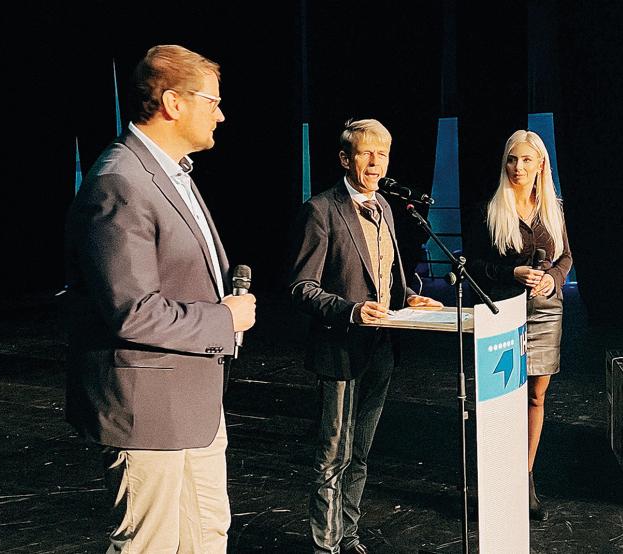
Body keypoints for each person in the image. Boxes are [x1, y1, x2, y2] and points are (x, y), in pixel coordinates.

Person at [64, 44, 255, 553]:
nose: (221, 112)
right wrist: (224, 319)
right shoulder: (119, 182)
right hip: (149, 410)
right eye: (212, 101)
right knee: (150, 545)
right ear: (173, 103)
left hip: (192, 403)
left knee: (207, 534)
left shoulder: (172, 173)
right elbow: (132, 311)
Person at [288, 118, 442, 553]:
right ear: (345, 158)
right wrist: (351, 311)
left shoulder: (388, 207)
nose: (376, 163)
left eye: (383, 154)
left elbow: (387, 276)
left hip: (381, 350)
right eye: (366, 154)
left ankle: (348, 534)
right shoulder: (321, 210)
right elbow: (302, 288)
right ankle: (325, 545)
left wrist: (409, 296)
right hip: (340, 350)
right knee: (333, 455)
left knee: (360, 454)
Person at [466, 130, 572, 520]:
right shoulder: (490, 209)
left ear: (541, 164)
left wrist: (553, 279)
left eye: (526, 160)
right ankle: (494, 480)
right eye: (512, 159)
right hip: (501, 310)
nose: (517, 167)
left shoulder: (553, 208)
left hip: (546, 311)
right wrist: (513, 272)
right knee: (497, 399)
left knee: (535, 397)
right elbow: (472, 266)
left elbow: (566, 257)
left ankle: (524, 477)